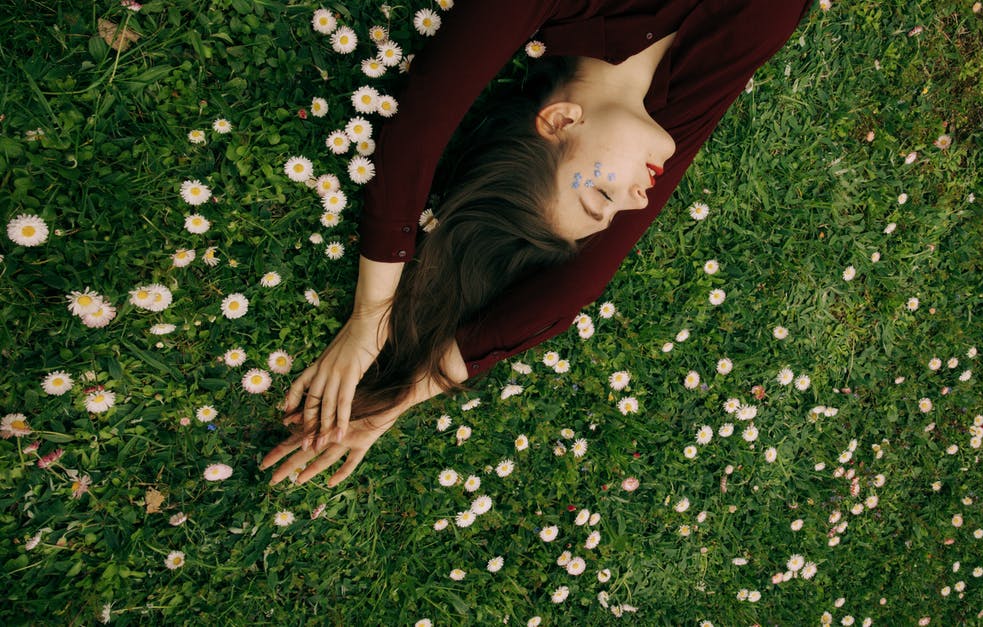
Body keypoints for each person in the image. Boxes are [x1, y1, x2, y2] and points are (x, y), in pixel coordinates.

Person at [261, 0, 813, 487]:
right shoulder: (687, 92)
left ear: (561, 120)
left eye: (600, 194)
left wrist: (370, 316)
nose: (640, 203)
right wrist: (406, 393)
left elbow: (420, 128)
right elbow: (579, 283)